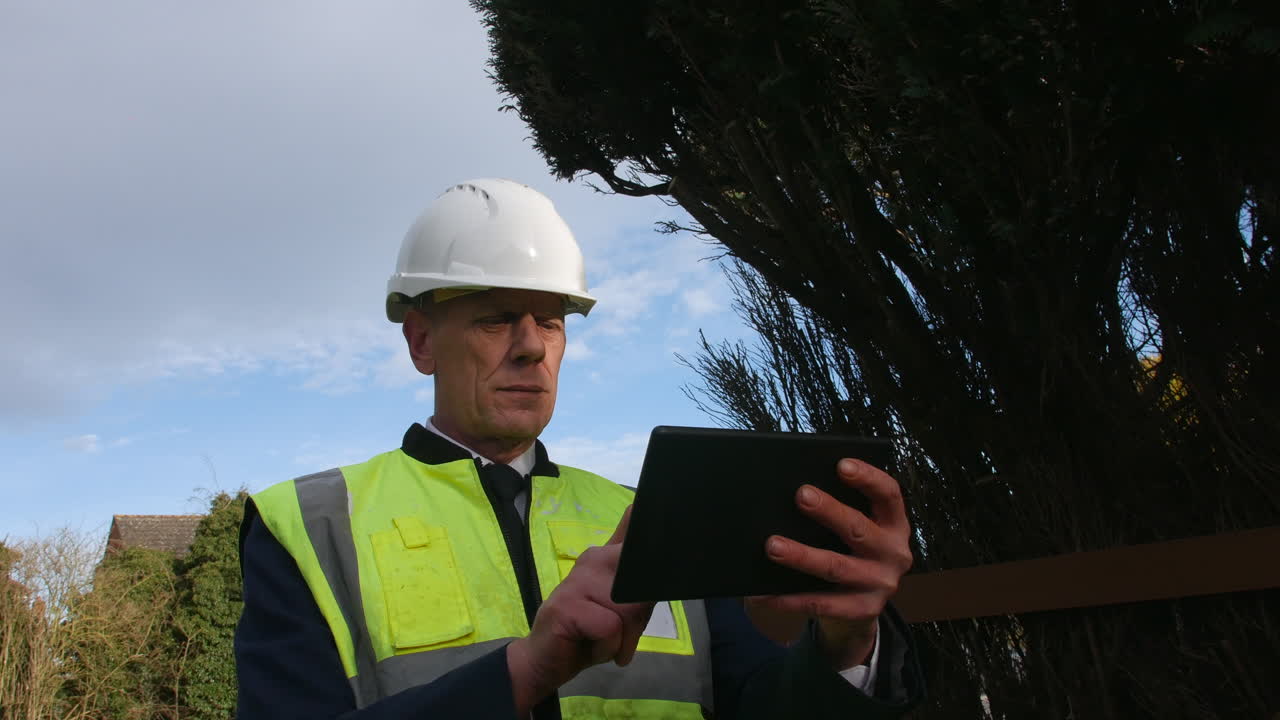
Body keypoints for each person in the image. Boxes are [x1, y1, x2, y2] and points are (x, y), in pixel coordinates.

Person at [234, 178, 924, 719]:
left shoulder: (653, 514)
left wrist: (845, 646)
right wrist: (524, 672)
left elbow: (767, 709)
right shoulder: (307, 525)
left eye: (551, 320)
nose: (532, 346)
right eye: (497, 317)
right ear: (420, 342)